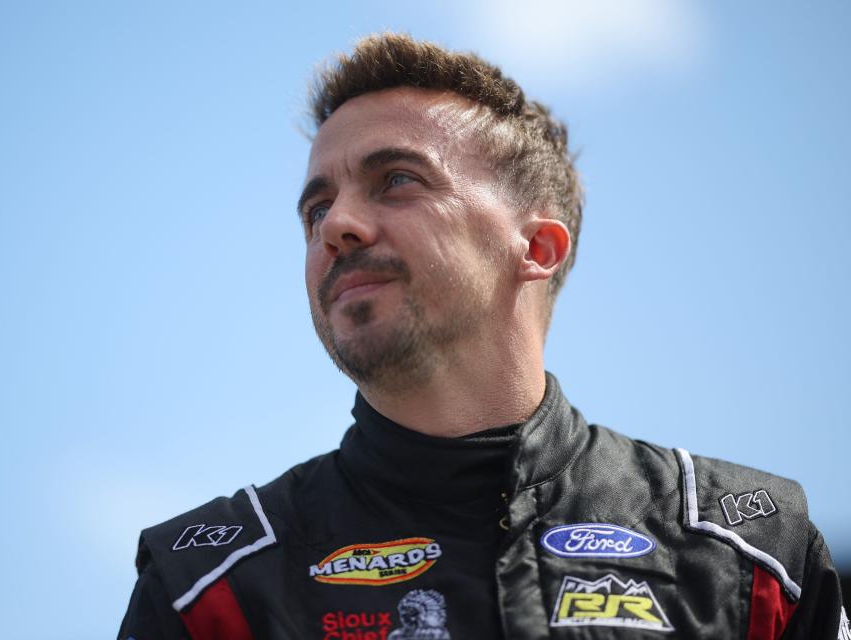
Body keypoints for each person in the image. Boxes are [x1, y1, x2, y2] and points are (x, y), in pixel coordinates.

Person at [118, 33, 849, 640]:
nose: (337, 224)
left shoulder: (756, 556)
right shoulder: (211, 588)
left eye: (397, 180)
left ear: (538, 250)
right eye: (316, 209)